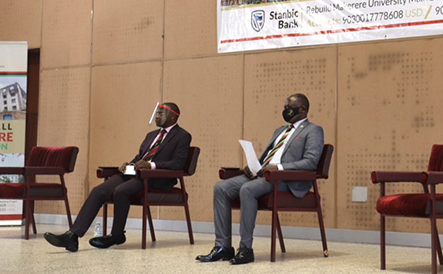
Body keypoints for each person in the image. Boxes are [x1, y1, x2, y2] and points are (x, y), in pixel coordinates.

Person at [44, 102, 191, 252]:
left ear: (173, 116)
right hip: (136, 174)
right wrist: (129, 165)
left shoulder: (182, 136)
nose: (157, 116)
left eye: (161, 113)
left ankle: (117, 235)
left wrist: (151, 165)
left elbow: (178, 163)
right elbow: (140, 157)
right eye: (156, 113)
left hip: (156, 179)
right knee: (98, 191)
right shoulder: (151, 135)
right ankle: (72, 236)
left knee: (121, 191)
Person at [196, 93, 324, 265]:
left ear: (302, 109)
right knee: (221, 188)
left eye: (289, 108)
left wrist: (279, 168)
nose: (285, 111)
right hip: (264, 175)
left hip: (286, 180)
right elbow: (268, 157)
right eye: (284, 107)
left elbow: (310, 162)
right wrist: (254, 166)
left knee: (247, 189)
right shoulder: (280, 131)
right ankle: (222, 247)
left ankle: (245, 249)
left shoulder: (313, 130)